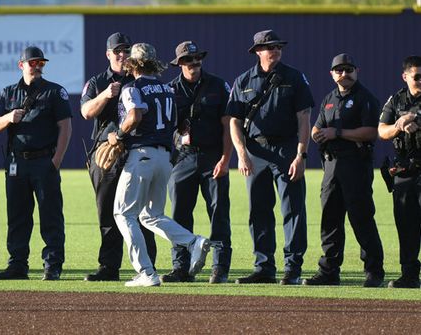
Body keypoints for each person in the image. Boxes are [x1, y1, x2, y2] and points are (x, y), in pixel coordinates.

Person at [107, 43, 211, 287]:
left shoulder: (133, 87)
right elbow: (177, 125)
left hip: (142, 156)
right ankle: (193, 241)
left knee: (123, 213)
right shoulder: (167, 89)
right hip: (164, 158)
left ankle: (146, 272)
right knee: (151, 215)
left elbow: (134, 116)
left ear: (133, 63)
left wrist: (118, 136)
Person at [227, 29, 314, 285]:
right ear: (257, 52)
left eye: (277, 46)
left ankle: (293, 268)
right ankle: (264, 267)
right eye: (268, 46)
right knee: (259, 211)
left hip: (286, 149)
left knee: (293, 210)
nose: (274, 50)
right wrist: (241, 154)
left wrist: (301, 155)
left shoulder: (294, 77)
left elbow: (304, 118)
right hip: (256, 151)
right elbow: (234, 121)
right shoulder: (243, 80)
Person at [0, 46, 72, 281]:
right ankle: (17, 265)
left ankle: (52, 264)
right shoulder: (9, 92)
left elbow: (65, 127)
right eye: (33, 63)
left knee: (51, 215)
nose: (37, 67)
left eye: (41, 63)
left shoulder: (55, 92)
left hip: (44, 161)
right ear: (21, 65)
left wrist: (56, 161)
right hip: (17, 162)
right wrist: (8, 117)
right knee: (17, 216)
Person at [80, 32, 156, 281]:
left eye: (126, 51)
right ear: (108, 54)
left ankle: (148, 266)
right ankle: (109, 267)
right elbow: (85, 112)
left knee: (141, 211)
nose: (122, 55)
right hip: (106, 155)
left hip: (136, 151)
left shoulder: (140, 79)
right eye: (117, 51)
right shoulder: (98, 81)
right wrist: (104, 95)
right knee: (107, 211)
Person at [304, 53, 384, 287]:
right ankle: (329, 271)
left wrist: (338, 133)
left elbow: (371, 131)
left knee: (361, 218)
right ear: (332, 74)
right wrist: (316, 133)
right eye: (339, 70)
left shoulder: (365, 98)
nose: (344, 74)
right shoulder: (329, 97)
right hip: (331, 165)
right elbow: (318, 126)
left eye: (348, 69)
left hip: (355, 164)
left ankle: (373, 271)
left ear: (356, 71)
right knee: (330, 219)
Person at [160, 41, 233, 284]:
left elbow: (228, 125)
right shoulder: (169, 89)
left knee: (218, 212)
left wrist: (225, 158)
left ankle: (219, 268)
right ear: (179, 64)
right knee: (179, 213)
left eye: (197, 58)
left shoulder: (218, 86)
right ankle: (181, 268)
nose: (194, 63)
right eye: (188, 60)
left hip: (213, 156)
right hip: (182, 157)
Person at [378, 55, 421, 289]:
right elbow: (381, 131)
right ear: (405, 77)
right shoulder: (396, 100)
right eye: (417, 76)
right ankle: (409, 275)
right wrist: (399, 124)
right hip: (405, 171)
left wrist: (416, 118)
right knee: (406, 225)